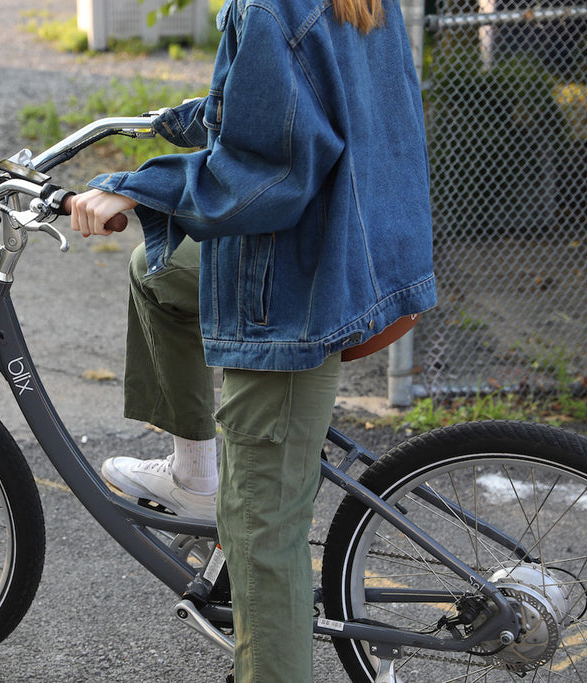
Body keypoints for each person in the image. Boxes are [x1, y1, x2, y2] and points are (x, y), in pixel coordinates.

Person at [68, 0, 436, 678]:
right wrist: (185, 119)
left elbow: (269, 175)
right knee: (156, 271)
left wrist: (138, 190)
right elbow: (297, 112)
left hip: (296, 291)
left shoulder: (268, 6)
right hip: (361, 250)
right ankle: (196, 475)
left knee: (263, 539)